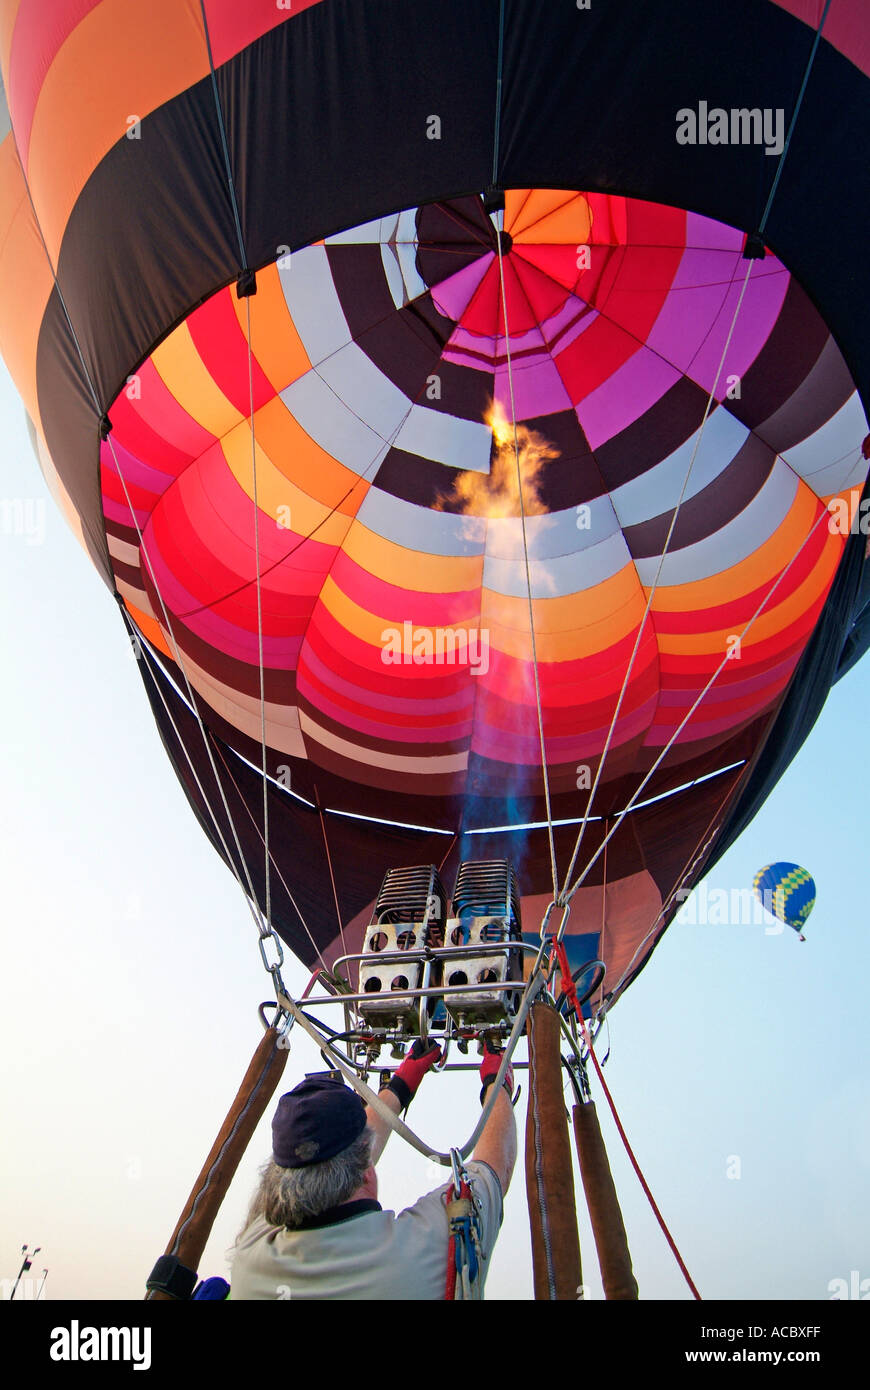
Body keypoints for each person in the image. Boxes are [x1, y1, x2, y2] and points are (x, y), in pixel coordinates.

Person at [230, 1040, 516, 1299]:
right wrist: (497, 1082)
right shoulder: (431, 1250)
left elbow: (335, 1155)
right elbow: (494, 1167)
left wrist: (400, 1086)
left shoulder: (250, 1260)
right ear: (367, 1172)